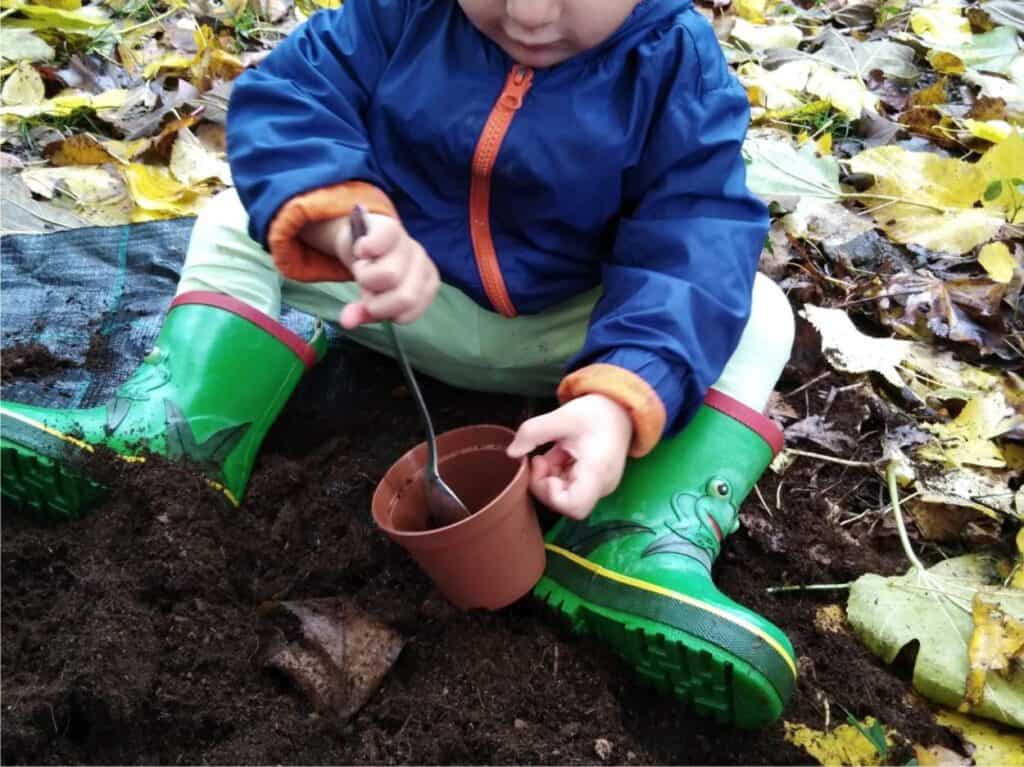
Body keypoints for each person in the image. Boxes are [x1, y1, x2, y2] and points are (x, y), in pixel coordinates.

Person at [0, 0, 796, 726]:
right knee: (238, 214)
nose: (526, 11)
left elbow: (695, 236)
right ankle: (179, 437)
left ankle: (632, 537)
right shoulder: (400, 14)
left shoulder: (673, 66)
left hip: (577, 343)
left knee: (758, 312)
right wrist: (348, 227)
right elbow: (288, 100)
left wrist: (621, 398)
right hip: (399, 298)